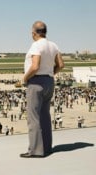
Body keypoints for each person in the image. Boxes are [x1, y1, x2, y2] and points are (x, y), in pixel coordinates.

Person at [20, 21, 64, 158]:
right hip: (49, 81)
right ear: (45, 31)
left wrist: (25, 78)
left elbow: (35, 66)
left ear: (34, 33)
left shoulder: (36, 45)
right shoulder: (53, 45)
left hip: (36, 82)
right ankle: (46, 147)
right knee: (45, 115)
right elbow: (61, 65)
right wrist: (50, 74)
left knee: (33, 117)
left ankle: (35, 150)